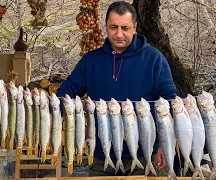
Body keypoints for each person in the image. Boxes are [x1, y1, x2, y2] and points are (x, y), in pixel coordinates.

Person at [56, 1, 177, 176]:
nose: (119, 34)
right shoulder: (91, 61)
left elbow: (169, 102)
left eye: (125, 28)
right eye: (113, 27)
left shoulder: (154, 59)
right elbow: (66, 93)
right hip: (102, 156)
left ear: (135, 28)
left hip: (146, 155)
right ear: (105, 26)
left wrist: (165, 144)